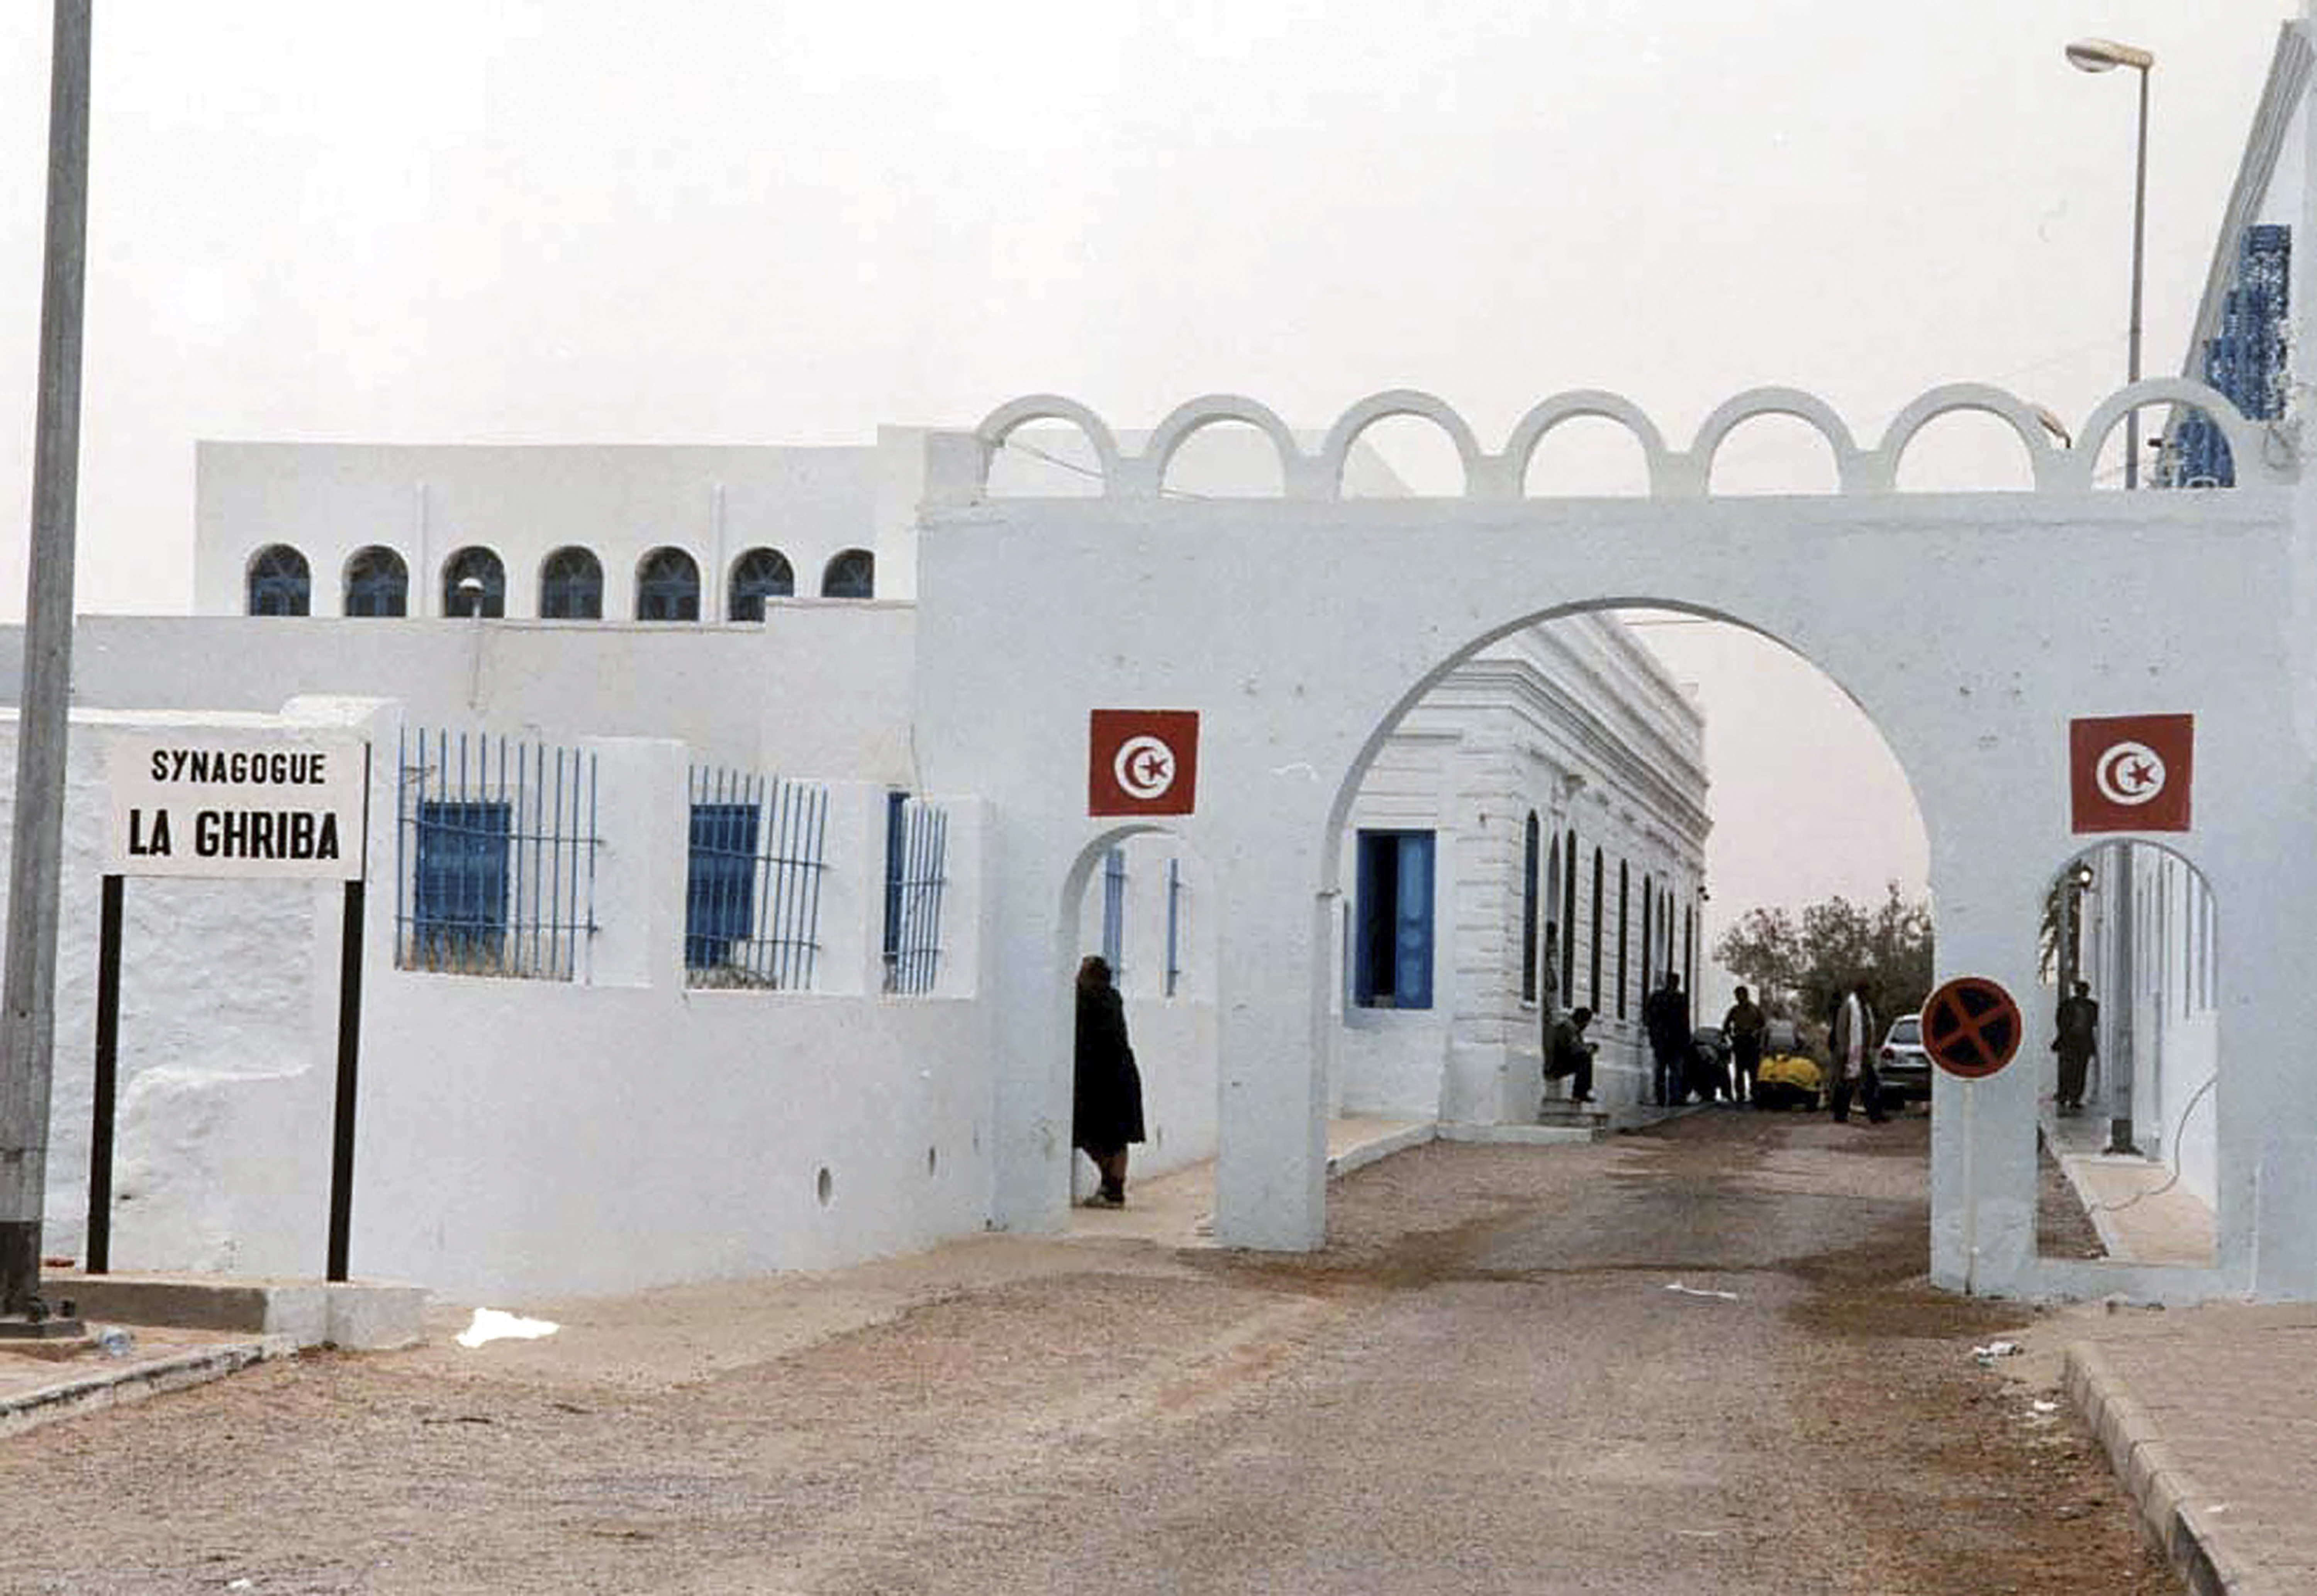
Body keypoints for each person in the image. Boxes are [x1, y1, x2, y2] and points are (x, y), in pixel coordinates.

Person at [1072, 955, 1146, 1207]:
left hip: (1097, 1075)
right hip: (1122, 1072)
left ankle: (1110, 1184)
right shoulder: (1113, 998)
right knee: (1119, 1136)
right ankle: (1114, 1189)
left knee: (1084, 1133)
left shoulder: (1083, 999)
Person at [1827, 979, 1886, 1124]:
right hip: (1851, 1053)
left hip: (1864, 1053)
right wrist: (1845, 1050)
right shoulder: (1849, 1006)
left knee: (1869, 1084)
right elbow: (1842, 1029)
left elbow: (1868, 1029)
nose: (1870, 995)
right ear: (1862, 992)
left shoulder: (1865, 1008)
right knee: (1848, 1085)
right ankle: (1841, 1115)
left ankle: (1875, 1115)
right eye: (1868, 992)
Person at [1643, 973, 1691, 1107]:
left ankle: (1662, 1098)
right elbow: (1685, 1021)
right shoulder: (1680, 999)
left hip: (1663, 1039)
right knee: (1673, 1071)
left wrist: (1653, 1033)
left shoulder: (1657, 997)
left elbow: (1649, 1017)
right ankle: (1673, 1098)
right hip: (1673, 1040)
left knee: (1662, 1070)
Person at [2053, 979, 2099, 1115]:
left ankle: (2075, 1098)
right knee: (2067, 1070)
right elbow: (2060, 1022)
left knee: (2080, 1071)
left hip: (2082, 1043)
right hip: (2069, 1042)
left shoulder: (2092, 1006)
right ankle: (2064, 1095)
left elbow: (2094, 1023)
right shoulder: (2067, 1005)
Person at [1542, 1005, 1598, 1107]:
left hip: (1560, 1060)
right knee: (1585, 1058)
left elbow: (1576, 1046)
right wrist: (1588, 1049)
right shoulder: (1569, 1027)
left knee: (1585, 1056)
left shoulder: (1572, 1027)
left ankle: (1582, 1092)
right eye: (1586, 1023)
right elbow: (1573, 1048)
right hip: (1555, 1064)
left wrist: (1587, 1047)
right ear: (1582, 1020)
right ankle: (1581, 1093)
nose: (1586, 1027)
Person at [1723, 985, 1767, 1105]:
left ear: (1746, 995)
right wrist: (1731, 1037)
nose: (1739, 997)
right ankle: (1740, 1095)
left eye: (1741, 994)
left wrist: (1757, 1035)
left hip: (1752, 1043)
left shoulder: (1755, 1010)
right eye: (1737, 995)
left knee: (1754, 1071)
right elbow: (1726, 1026)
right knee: (1739, 1070)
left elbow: (1763, 1025)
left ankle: (1755, 1094)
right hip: (1740, 1041)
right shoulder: (1735, 1010)